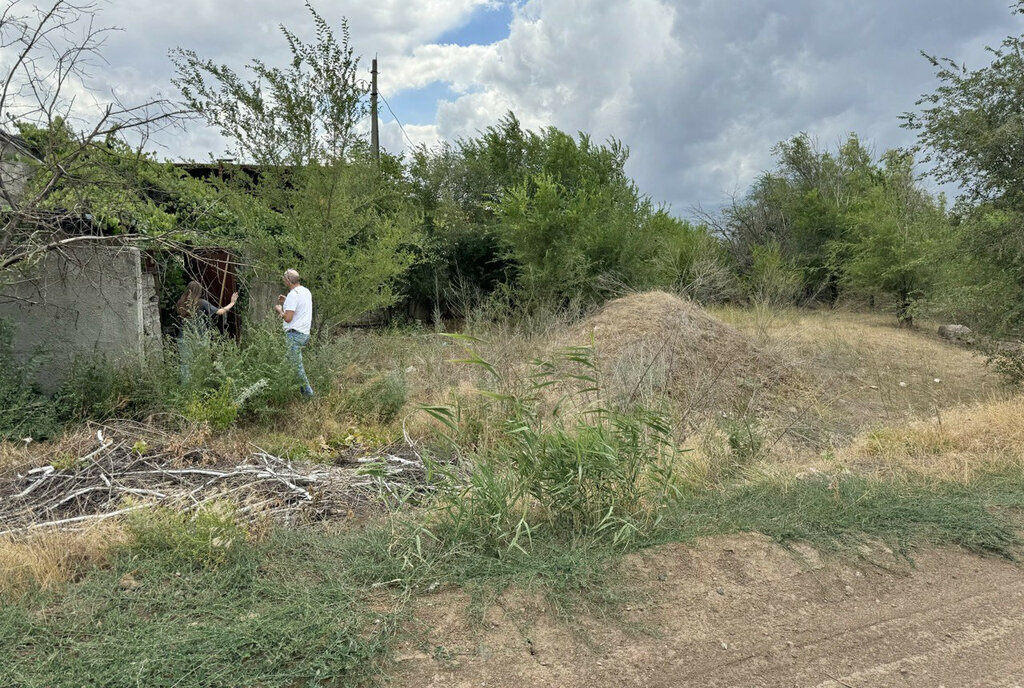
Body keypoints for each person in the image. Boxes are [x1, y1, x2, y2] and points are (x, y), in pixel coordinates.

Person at [174, 280, 238, 380]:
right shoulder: (201, 303)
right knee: (200, 364)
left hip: (183, 338)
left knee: (185, 366)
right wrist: (232, 303)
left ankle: (185, 389)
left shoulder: (180, 303)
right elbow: (220, 312)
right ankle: (198, 386)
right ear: (198, 291)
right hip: (198, 339)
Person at [274, 269, 314, 397]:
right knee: (287, 363)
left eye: (284, 279)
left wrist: (280, 310)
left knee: (297, 367)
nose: (283, 281)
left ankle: (308, 395)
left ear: (288, 281)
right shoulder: (305, 291)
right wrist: (286, 300)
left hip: (294, 334)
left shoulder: (293, 294)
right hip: (304, 334)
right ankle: (284, 390)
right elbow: (300, 305)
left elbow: (288, 318)